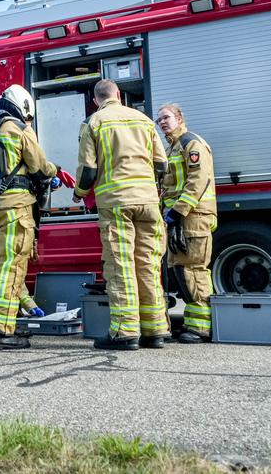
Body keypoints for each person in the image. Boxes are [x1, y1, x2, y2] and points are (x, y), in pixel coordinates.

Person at [0, 85, 71, 351]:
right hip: (14, 208)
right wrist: (55, 173)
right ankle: (2, 331)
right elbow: (38, 165)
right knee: (11, 267)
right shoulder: (18, 128)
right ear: (24, 108)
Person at [73, 79, 169, 351]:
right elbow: (161, 164)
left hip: (116, 203)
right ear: (118, 94)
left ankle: (124, 332)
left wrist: (79, 193)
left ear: (96, 100)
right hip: (148, 202)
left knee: (120, 265)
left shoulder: (94, 122)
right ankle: (155, 330)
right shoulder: (144, 120)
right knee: (147, 264)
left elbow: (88, 170)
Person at [157, 102, 217, 343]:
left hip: (193, 217)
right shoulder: (172, 148)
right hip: (180, 219)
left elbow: (199, 180)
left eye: (167, 117)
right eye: (159, 119)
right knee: (181, 270)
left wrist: (178, 211)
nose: (162, 122)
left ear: (179, 118)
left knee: (193, 269)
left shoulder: (190, 143)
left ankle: (202, 328)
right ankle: (193, 325)